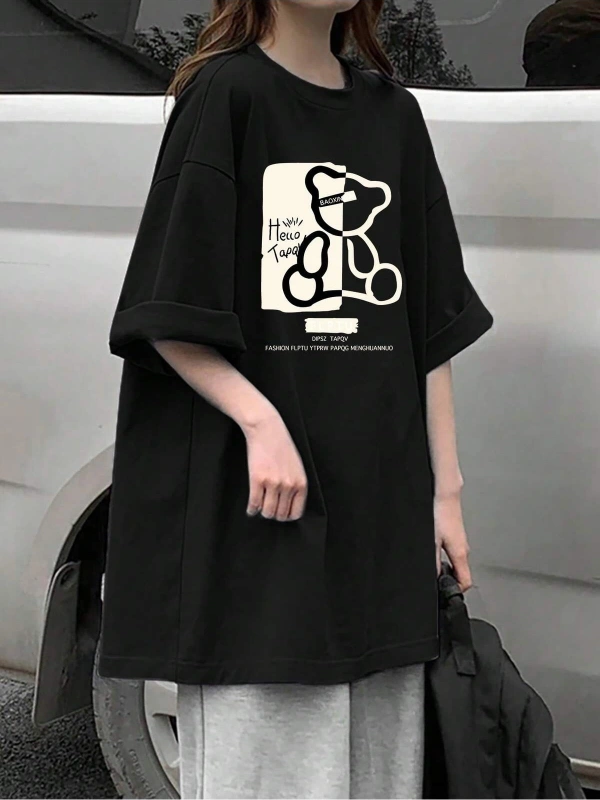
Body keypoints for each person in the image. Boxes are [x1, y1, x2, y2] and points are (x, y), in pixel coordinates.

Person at [97, 0, 494, 797]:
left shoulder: (393, 116)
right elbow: (164, 308)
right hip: (263, 528)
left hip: (376, 523)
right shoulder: (227, 94)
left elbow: (430, 328)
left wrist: (445, 492)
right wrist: (260, 419)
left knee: (382, 777)